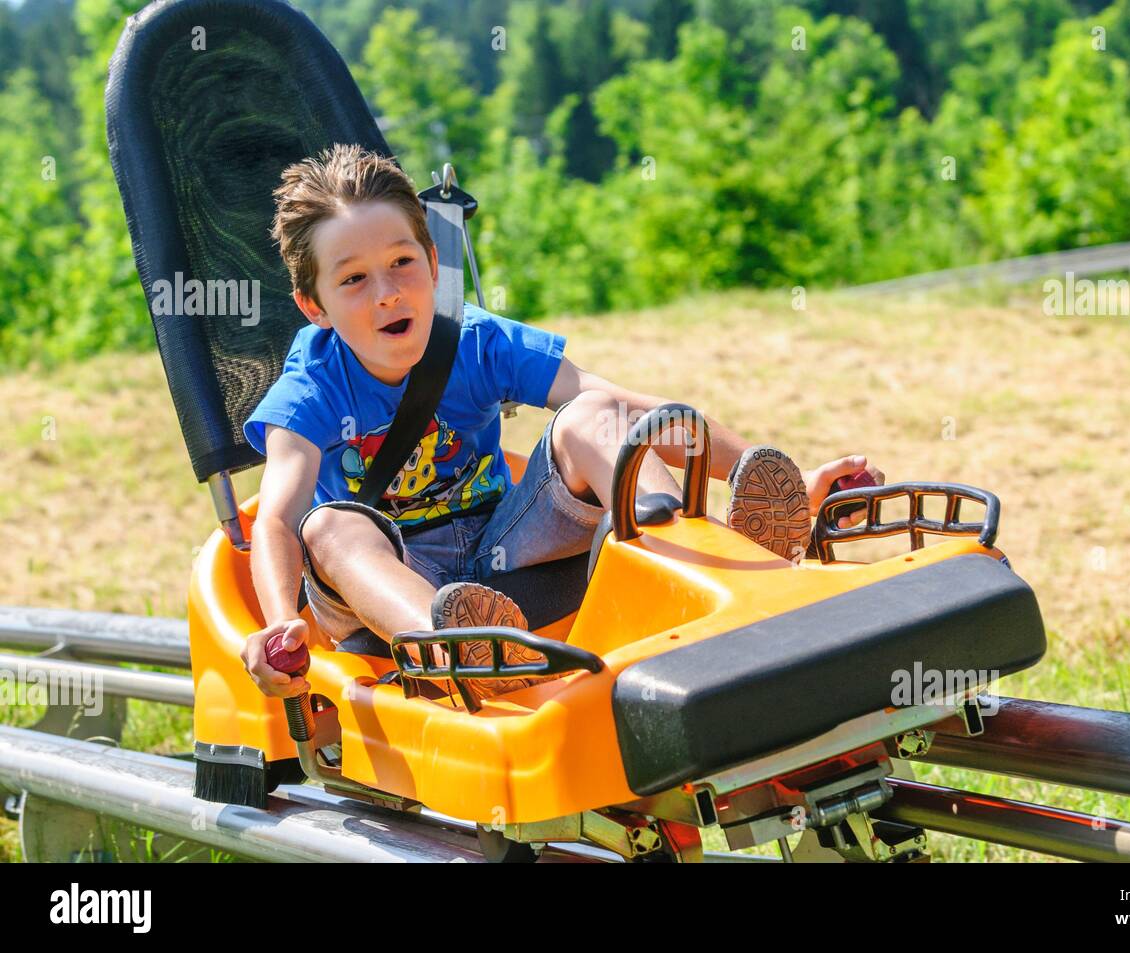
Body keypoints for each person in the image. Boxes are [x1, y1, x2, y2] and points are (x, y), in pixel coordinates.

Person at [240, 143, 884, 709]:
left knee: (595, 416)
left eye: (402, 262)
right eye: (353, 279)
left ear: (434, 263)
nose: (387, 293)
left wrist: (788, 482)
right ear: (313, 306)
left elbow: (633, 411)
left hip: (502, 561)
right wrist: (278, 623)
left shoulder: (473, 342)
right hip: (380, 600)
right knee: (328, 522)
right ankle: (456, 653)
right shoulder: (311, 389)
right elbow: (275, 517)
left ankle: (711, 566)